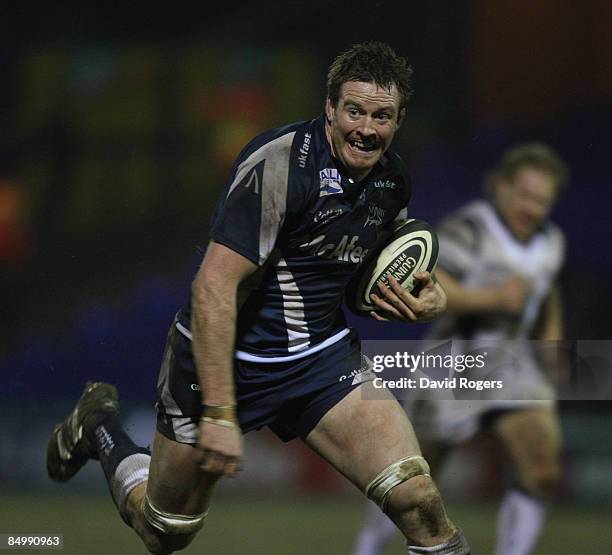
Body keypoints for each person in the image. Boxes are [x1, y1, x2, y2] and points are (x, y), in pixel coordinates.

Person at [46, 42, 470, 555]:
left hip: (319, 358)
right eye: (354, 110)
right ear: (330, 108)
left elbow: (374, 263)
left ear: (400, 120)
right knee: (164, 532)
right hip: (224, 362)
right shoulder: (281, 164)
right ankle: (99, 425)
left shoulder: (392, 179)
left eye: (381, 116)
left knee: (418, 500)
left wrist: (430, 295)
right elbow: (214, 285)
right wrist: (223, 414)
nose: (365, 128)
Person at [352, 142, 569, 555]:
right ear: (502, 188)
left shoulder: (552, 241)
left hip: (512, 369)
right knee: (409, 480)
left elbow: (545, 292)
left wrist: (552, 344)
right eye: (525, 195)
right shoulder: (470, 228)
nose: (533, 207)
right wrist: (494, 299)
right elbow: (434, 283)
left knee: (542, 471)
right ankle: (367, 547)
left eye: (543, 200)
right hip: (451, 369)